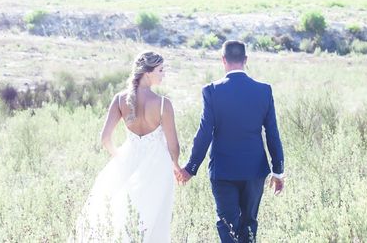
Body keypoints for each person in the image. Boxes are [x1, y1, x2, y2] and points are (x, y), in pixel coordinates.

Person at [178, 40, 285, 243]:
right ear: (245, 60)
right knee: (249, 224)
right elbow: (272, 133)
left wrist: (190, 168)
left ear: (223, 60)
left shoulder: (212, 91)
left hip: (223, 171)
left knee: (227, 225)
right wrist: (278, 171)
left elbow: (204, 133)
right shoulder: (264, 90)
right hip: (254, 171)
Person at [72, 51, 183, 242]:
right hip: (158, 167)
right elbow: (174, 146)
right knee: (154, 220)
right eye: (160, 70)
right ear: (147, 72)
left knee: (122, 215)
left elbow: (105, 138)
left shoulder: (119, 99)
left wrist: (119, 158)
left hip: (128, 160)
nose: (163, 74)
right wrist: (176, 166)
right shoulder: (163, 104)